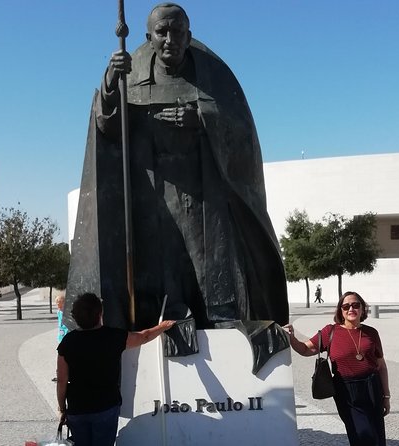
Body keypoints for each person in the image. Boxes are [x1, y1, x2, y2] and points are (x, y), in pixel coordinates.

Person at [66, 2, 288, 332]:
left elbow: (241, 133)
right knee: (161, 271)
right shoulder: (131, 78)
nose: (170, 38)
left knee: (207, 268)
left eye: (177, 32)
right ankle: (166, 324)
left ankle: (221, 326)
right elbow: (108, 128)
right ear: (149, 37)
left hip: (202, 197)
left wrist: (200, 119)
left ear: (188, 35)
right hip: (152, 198)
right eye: (162, 32)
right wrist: (112, 81)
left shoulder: (213, 78)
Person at [57, 292, 175, 445]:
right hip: (106, 406)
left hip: (77, 408)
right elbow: (143, 336)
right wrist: (162, 327)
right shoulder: (113, 337)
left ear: (75, 316)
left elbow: (61, 380)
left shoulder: (68, 342)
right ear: (100, 314)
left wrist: (62, 408)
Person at [284, 291, 390, 446]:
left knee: (377, 434)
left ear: (362, 309)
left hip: (372, 387)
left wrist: (386, 396)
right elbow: (305, 350)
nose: (351, 309)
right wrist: (292, 338)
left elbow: (381, 366)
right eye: (346, 306)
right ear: (341, 310)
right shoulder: (330, 331)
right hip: (346, 391)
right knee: (361, 435)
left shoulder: (371, 333)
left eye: (355, 305)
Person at [52, 295, 69, 382]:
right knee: (61, 353)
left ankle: (63, 373)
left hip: (66, 334)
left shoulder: (65, 312)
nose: (57, 304)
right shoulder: (59, 312)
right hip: (61, 335)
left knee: (65, 354)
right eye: (56, 302)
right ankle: (59, 373)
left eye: (59, 302)